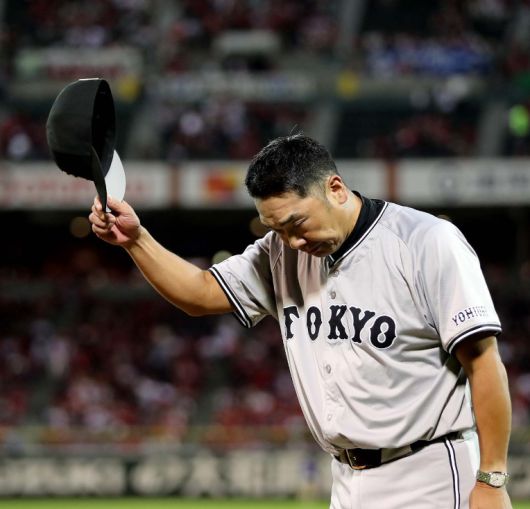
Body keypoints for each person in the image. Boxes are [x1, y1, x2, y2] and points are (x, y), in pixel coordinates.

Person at [89, 134, 512, 509]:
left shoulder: (425, 241)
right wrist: (136, 240)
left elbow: (483, 362)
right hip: (346, 479)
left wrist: (491, 478)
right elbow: (200, 293)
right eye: (276, 228)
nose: (292, 241)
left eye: (297, 223)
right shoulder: (281, 252)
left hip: (429, 472)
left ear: (335, 188)